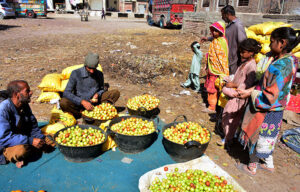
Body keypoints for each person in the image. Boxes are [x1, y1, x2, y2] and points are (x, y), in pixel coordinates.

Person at [236, 27, 299, 176]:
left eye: (272, 42)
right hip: (278, 110)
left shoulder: (279, 65)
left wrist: (250, 93)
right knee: (268, 139)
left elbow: (270, 95)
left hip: (266, 109)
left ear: (282, 43)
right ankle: (269, 165)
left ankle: (252, 167)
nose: (269, 45)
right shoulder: (290, 59)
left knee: (256, 138)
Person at [0, 80, 54, 168]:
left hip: (18, 136)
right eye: (27, 91)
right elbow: (4, 138)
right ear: (16, 94)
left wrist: (41, 139)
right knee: (21, 151)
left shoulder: (24, 104)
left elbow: (33, 126)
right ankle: (6, 155)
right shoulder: (3, 109)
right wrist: (30, 140)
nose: (31, 93)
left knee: (48, 141)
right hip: (3, 144)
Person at [217, 38, 261, 147]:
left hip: (239, 97)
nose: (241, 54)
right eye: (240, 51)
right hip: (234, 94)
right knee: (228, 116)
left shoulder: (251, 66)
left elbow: (247, 84)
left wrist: (232, 86)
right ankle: (229, 136)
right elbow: (238, 77)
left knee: (231, 118)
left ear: (251, 53)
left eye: (243, 52)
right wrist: (229, 81)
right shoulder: (244, 62)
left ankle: (228, 139)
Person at [60, 52, 120, 119]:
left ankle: (99, 110)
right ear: (85, 65)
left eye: (94, 68)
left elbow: (101, 89)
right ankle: (79, 114)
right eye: (89, 68)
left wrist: (97, 94)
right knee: (63, 102)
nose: (92, 71)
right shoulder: (76, 73)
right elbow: (66, 93)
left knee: (115, 93)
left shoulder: (99, 74)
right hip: (79, 103)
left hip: (94, 103)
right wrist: (82, 101)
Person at [201, 5, 247, 75]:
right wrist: (207, 38)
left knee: (231, 78)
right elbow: (221, 37)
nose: (222, 18)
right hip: (226, 57)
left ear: (227, 14)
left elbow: (243, 43)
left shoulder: (238, 25)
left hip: (234, 59)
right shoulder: (229, 25)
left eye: (223, 15)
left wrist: (242, 58)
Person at [202, 21, 229, 113]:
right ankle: (213, 104)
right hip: (212, 68)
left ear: (221, 31)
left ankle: (211, 107)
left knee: (212, 89)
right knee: (214, 87)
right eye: (213, 30)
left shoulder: (220, 42)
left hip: (216, 69)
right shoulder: (217, 40)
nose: (214, 33)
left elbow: (221, 57)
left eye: (216, 31)